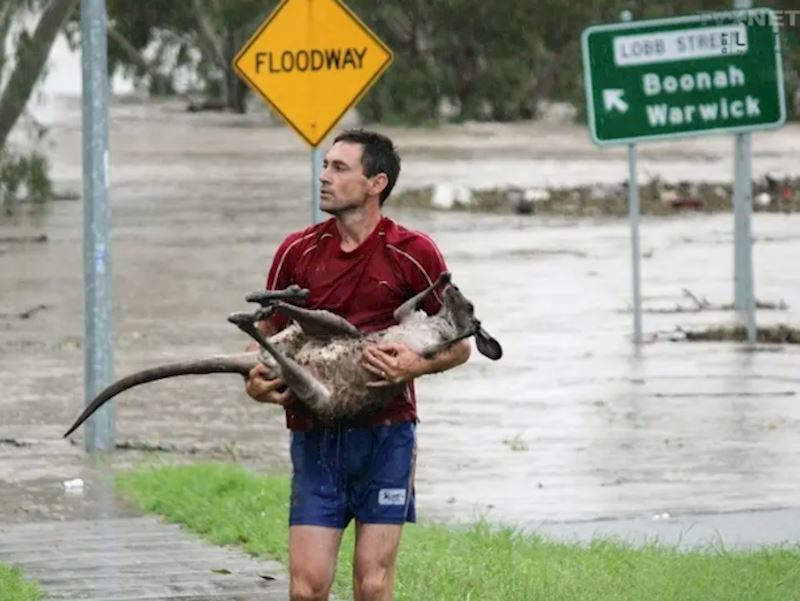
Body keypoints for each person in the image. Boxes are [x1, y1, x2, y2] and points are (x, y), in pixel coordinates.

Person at [244, 129, 471, 601]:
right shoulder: (297, 251)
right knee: (306, 590)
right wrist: (256, 382)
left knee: (372, 584)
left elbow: (460, 344)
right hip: (315, 435)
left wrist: (415, 365)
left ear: (376, 183)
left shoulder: (414, 252)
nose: (323, 177)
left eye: (339, 168)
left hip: (387, 435)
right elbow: (264, 342)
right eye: (325, 165)